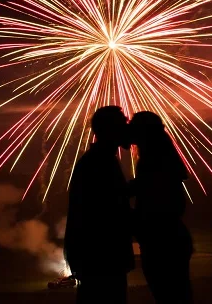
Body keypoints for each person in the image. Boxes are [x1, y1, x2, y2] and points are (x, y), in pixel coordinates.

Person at [64, 106, 135, 304]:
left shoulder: (97, 160)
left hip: (95, 256)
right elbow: (108, 211)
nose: (128, 129)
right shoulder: (100, 163)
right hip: (103, 257)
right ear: (111, 130)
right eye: (123, 124)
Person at [129, 111, 193, 304]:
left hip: (162, 239)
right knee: (176, 295)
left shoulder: (154, 161)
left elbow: (150, 191)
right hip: (170, 237)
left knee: (168, 295)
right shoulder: (163, 158)